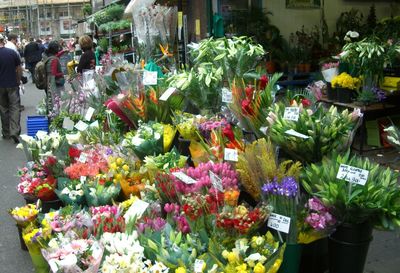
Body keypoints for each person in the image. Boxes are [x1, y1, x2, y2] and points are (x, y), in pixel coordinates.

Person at [0, 34, 22, 143]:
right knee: (14, 107)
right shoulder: (11, 53)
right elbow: (18, 68)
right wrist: (18, 80)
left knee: (3, 109)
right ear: (3, 41)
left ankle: (6, 132)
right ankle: (15, 131)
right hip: (12, 84)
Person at [44, 41, 65, 115]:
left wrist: (63, 52)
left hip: (49, 82)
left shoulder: (49, 57)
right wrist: (62, 74)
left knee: (52, 102)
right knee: (56, 102)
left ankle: (51, 115)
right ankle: (55, 116)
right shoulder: (55, 60)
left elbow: (57, 56)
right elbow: (54, 73)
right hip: (56, 84)